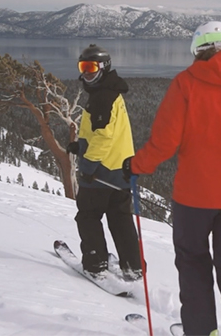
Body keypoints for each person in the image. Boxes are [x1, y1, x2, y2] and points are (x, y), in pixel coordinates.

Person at [122, 21, 221, 336]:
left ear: (198, 49)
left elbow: (165, 141)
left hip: (194, 198)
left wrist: (137, 165)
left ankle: (201, 331)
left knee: (193, 268)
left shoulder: (185, 83)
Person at [66, 44, 142, 281]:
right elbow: (110, 131)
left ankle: (96, 264)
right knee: (120, 218)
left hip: (101, 171)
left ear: (104, 67)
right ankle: (133, 266)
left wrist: (87, 166)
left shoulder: (101, 98)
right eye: (83, 67)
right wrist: (81, 146)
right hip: (120, 168)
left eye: (91, 67)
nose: (86, 73)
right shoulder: (112, 91)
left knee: (88, 215)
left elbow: (103, 136)